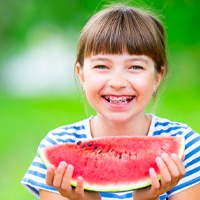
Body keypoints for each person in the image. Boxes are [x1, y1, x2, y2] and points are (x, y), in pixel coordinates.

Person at [21, 3, 200, 200]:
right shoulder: (57, 144)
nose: (117, 82)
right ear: (82, 75)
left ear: (157, 77)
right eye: (101, 66)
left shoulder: (187, 147)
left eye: (135, 67)